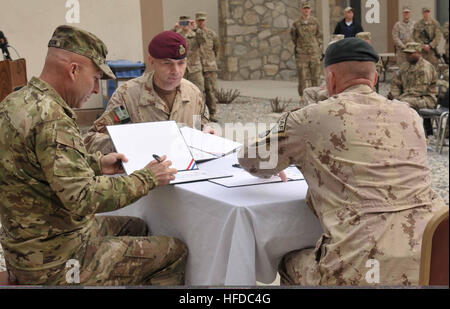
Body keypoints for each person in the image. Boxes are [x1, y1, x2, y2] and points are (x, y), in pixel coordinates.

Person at [237, 38, 446, 286]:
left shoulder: (310, 118)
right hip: (430, 258)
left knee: (288, 260)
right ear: (375, 78)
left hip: (357, 265)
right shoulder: (409, 115)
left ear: (331, 80)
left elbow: (250, 159)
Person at [0, 25, 187, 285]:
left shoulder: (17, 101)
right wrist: (147, 178)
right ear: (74, 70)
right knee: (174, 250)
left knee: (138, 227)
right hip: (56, 261)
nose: (97, 90)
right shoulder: (53, 118)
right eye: (96, 77)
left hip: (31, 245)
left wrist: (96, 163)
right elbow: (83, 198)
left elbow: (42, 163)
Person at [84, 31, 213, 155]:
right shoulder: (127, 96)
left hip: (189, 172)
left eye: (181, 63)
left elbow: (201, 125)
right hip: (146, 174)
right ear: (152, 62)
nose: (176, 71)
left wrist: (207, 132)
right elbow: (91, 140)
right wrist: (130, 142)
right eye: (167, 63)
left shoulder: (193, 93)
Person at [389, 42, 438, 138]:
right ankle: (396, 132)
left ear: (419, 53)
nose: (408, 56)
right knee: (389, 102)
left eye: (411, 54)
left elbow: (418, 90)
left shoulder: (425, 68)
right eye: (407, 53)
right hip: (407, 97)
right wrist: (395, 96)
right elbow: (396, 83)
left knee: (402, 104)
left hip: (425, 98)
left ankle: (408, 133)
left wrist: (399, 99)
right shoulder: (405, 66)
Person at [290, 1, 323, 97]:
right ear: (301, 10)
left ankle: (315, 96)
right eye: (304, 9)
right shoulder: (296, 24)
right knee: (302, 77)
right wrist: (300, 46)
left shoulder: (315, 22)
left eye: (308, 9)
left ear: (310, 10)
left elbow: (319, 35)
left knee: (315, 76)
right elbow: (293, 37)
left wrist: (317, 45)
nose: (306, 11)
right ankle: (302, 97)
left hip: (313, 53)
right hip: (302, 54)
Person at [301, 35, 344, 106]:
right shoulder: (333, 62)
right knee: (308, 91)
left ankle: (313, 113)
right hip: (329, 88)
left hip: (337, 91)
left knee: (318, 94)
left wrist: (325, 88)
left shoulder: (341, 63)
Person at [195, 12, 220, 122]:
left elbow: (216, 48)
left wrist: (211, 61)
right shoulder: (192, 33)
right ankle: (201, 114)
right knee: (199, 92)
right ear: (196, 21)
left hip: (209, 67)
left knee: (210, 91)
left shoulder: (211, 34)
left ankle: (212, 113)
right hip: (196, 68)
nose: (201, 22)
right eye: (199, 20)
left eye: (203, 20)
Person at [173, 15, 205, 93]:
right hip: (181, 69)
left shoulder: (196, 35)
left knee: (199, 91)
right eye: (183, 23)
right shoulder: (176, 36)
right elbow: (169, 41)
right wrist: (174, 29)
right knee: (180, 91)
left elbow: (203, 40)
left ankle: (199, 105)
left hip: (195, 69)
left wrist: (195, 28)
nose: (185, 25)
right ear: (180, 24)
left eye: (187, 23)